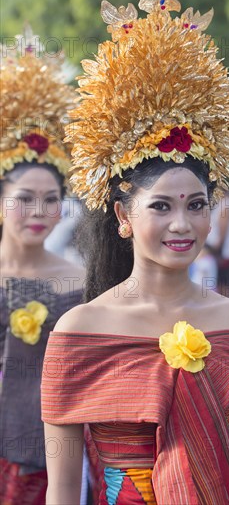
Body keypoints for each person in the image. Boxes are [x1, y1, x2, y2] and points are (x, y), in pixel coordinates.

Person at [41, 0, 229, 504]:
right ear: (123, 216)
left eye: (197, 205)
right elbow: (62, 495)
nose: (182, 224)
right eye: (162, 207)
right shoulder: (79, 332)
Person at [0, 27, 89, 503]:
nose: (40, 213)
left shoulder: (78, 282)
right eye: (25, 200)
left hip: (46, 458)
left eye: (51, 200)